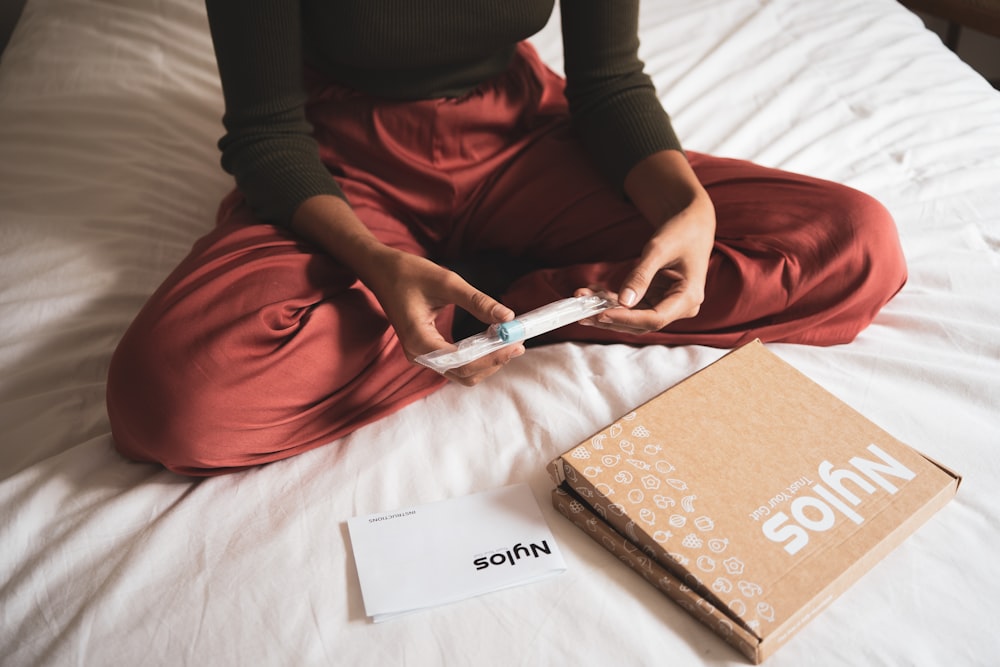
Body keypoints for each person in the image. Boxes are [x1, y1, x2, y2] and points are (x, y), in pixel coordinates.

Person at [106, 0, 907, 475]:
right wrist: (378, 263)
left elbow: (609, 81)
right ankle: (444, 298)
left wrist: (688, 206)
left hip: (521, 134)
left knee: (854, 242)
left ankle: (511, 304)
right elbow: (266, 134)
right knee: (173, 404)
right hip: (340, 165)